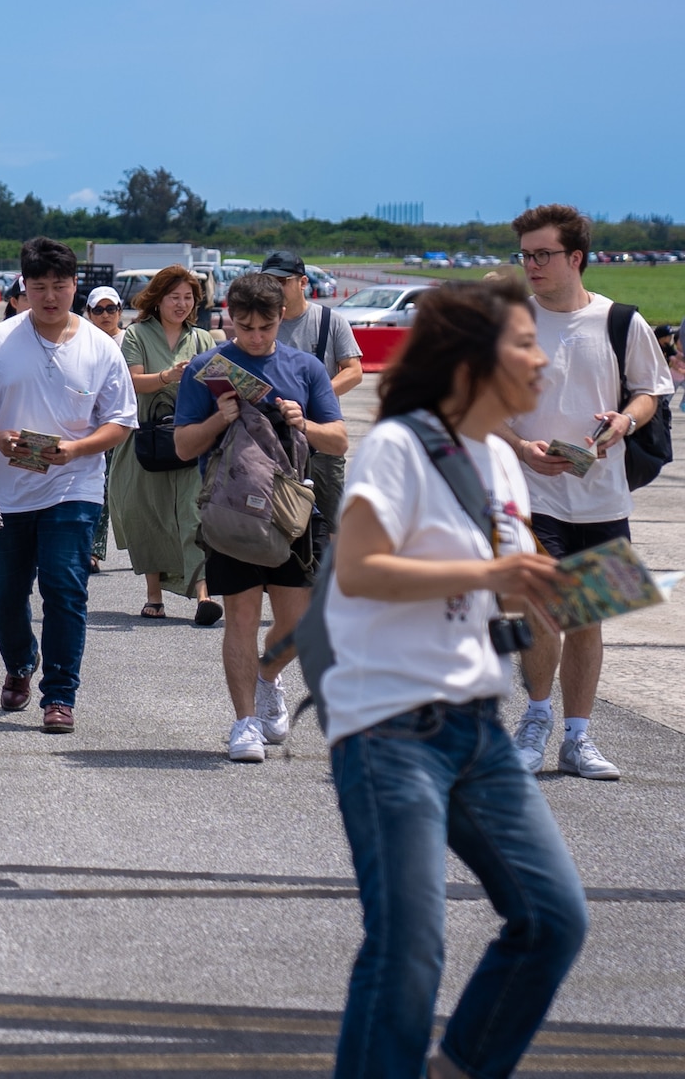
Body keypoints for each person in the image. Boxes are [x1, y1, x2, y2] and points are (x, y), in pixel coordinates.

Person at [322, 277, 586, 1079]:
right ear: (471, 361)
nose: (542, 360)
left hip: (478, 725)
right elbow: (363, 569)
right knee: (409, 943)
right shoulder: (399, 446)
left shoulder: (502, 462)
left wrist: (546, 585)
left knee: (552, 919)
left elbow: (497, 582)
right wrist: (491, 568)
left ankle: (460, 1067)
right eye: (525, 343)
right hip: (389, 727)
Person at [499, 204, 672, 781]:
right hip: (530, 490)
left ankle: (578, 737)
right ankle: (536, 719)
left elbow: (651, 390)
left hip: (603, 492)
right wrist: (522, 449)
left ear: (575, 258)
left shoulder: (623, 321)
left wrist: (624, 421)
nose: (531, 265)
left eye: (542, 254)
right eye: (525, 255)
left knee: (588, 616)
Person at [172, 272, 348, 763]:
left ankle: (269, 676)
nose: (253, 337)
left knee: (298, 624)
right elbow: (184, 446)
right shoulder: (206, 368)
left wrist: (302, 421)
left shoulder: (306, 367)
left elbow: (338, 440)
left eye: (265, 327)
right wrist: (218, 418)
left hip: (290, 512)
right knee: (241, 618)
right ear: (229, 316)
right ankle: (244, 722)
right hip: (230, 511)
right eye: (244, 326)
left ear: (281, 318)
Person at [0, 238, 136, 732]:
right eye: (38, 286)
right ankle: (21, 661)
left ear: (74, 286)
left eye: (59, 286)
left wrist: (76, 449)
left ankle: (59, 695)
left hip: (75, 486)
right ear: (24, 287)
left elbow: (120, 421)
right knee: (4, 590)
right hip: (4, 488)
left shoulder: (101, 346)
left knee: (65, 588)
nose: (49, 296)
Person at [111, 266, 221, 624]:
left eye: (188, 298)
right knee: (149, 514)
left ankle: (203, 595)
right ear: (157, 299)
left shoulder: (204, 338)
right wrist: (168, 376)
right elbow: (132, 382)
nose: (182, 304)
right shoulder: (136, 334)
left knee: (194, 515)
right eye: (174, 297)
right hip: (147, 437)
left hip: (192, 438)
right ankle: (153, 595)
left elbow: (219, 383)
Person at [262, 250, 363, 538]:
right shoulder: (262, 325)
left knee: (331, 523)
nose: (275, 288)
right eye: (268, 282)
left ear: (303, 282)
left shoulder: (330, 321)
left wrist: (315, 394)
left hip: (321, 437)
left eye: (282, 281)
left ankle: (333, 580)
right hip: (275, 441)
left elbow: (354, 370)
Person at [81, 285, 128, 572]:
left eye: (111, 309)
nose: (105, 315)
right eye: (98, 310)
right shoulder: (82, 342)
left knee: (126, 493)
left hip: (125, 425)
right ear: (89, 313)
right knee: (98, 488)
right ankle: (92, 550)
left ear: (120, 312)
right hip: (92, 426)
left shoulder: (131, 341)